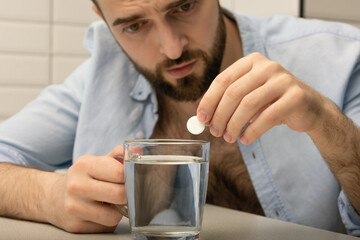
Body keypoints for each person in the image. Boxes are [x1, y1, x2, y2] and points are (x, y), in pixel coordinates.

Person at [0, 0, 359, 236]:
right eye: (134, 26)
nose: (172, 48)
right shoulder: (102, 74)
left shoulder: (342, 59)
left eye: (184, 6)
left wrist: (326, 123)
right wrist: (49, 195)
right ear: (102, 17)